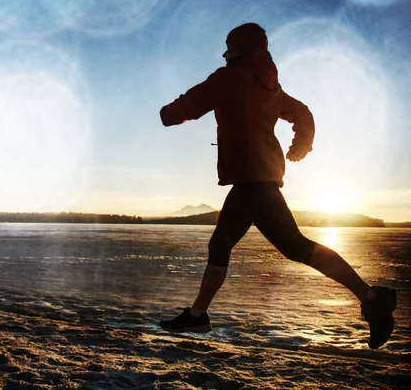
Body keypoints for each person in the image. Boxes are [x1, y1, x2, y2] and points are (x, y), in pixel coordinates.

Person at [158, 22, 397, 349]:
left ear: (238, 49)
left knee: (294, 246)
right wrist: (301, 145)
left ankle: (372, 297)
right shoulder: (271, 88)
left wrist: (167, 113)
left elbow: (185, 107)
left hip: (253, 182)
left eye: (229, 47)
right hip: (259, 178)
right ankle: (198, 314)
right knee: (226, 245)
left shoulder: (226, 78)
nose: (225, 54)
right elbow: (303, 113)